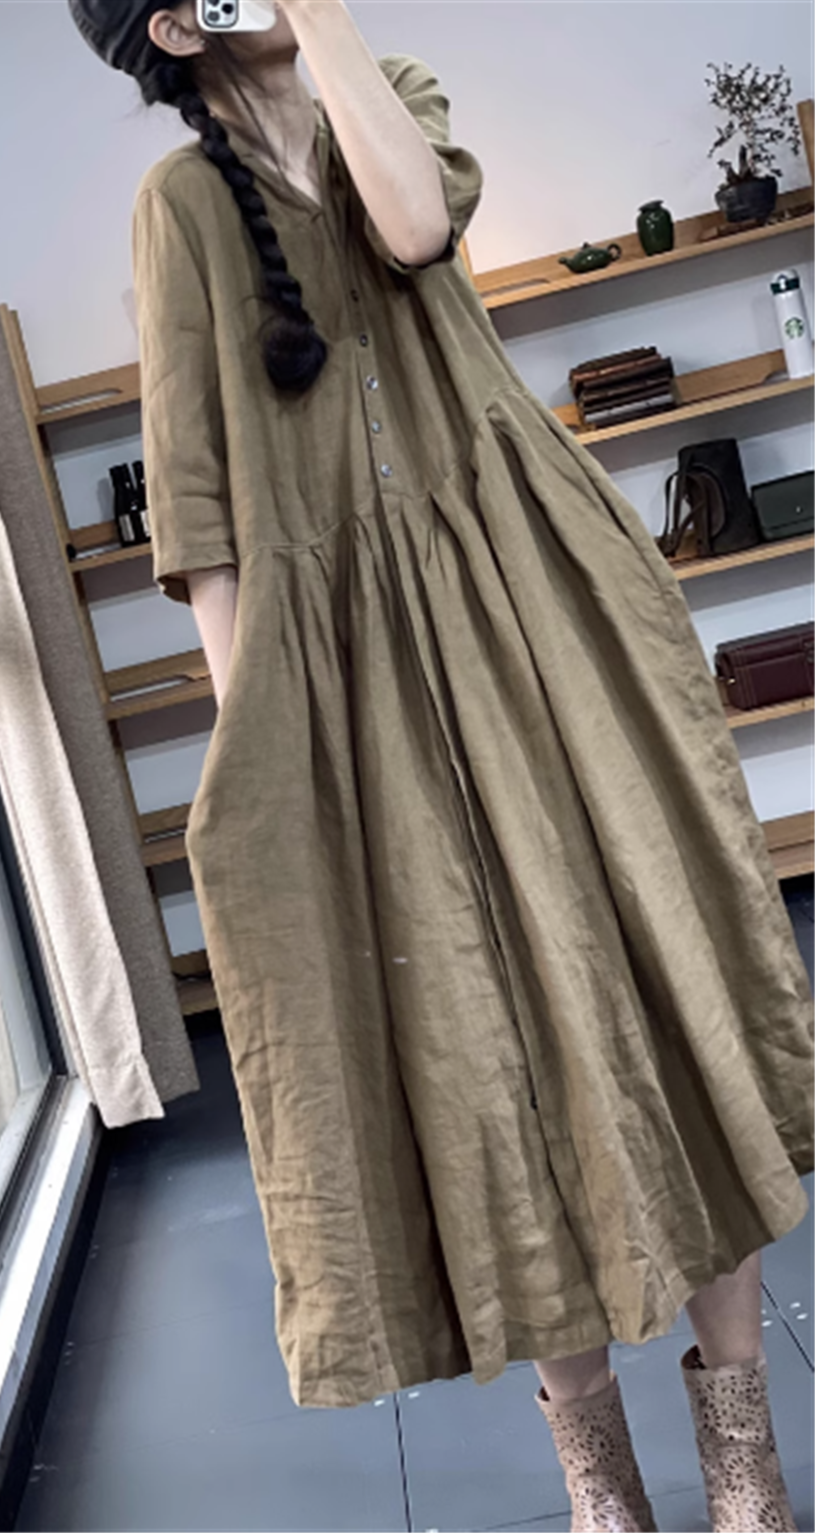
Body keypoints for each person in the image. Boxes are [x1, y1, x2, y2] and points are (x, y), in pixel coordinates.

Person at [67, 3, 815, 1528]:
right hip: (350, 651)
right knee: (474, 1049)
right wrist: (270, 742)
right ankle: (596, 1474)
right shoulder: (180, 205)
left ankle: (742, 1449)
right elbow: (197, 499)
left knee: (652, 976)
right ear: (170, 23)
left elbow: (412, 225)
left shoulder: (385, 91)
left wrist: (323, 19)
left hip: (533, 590)